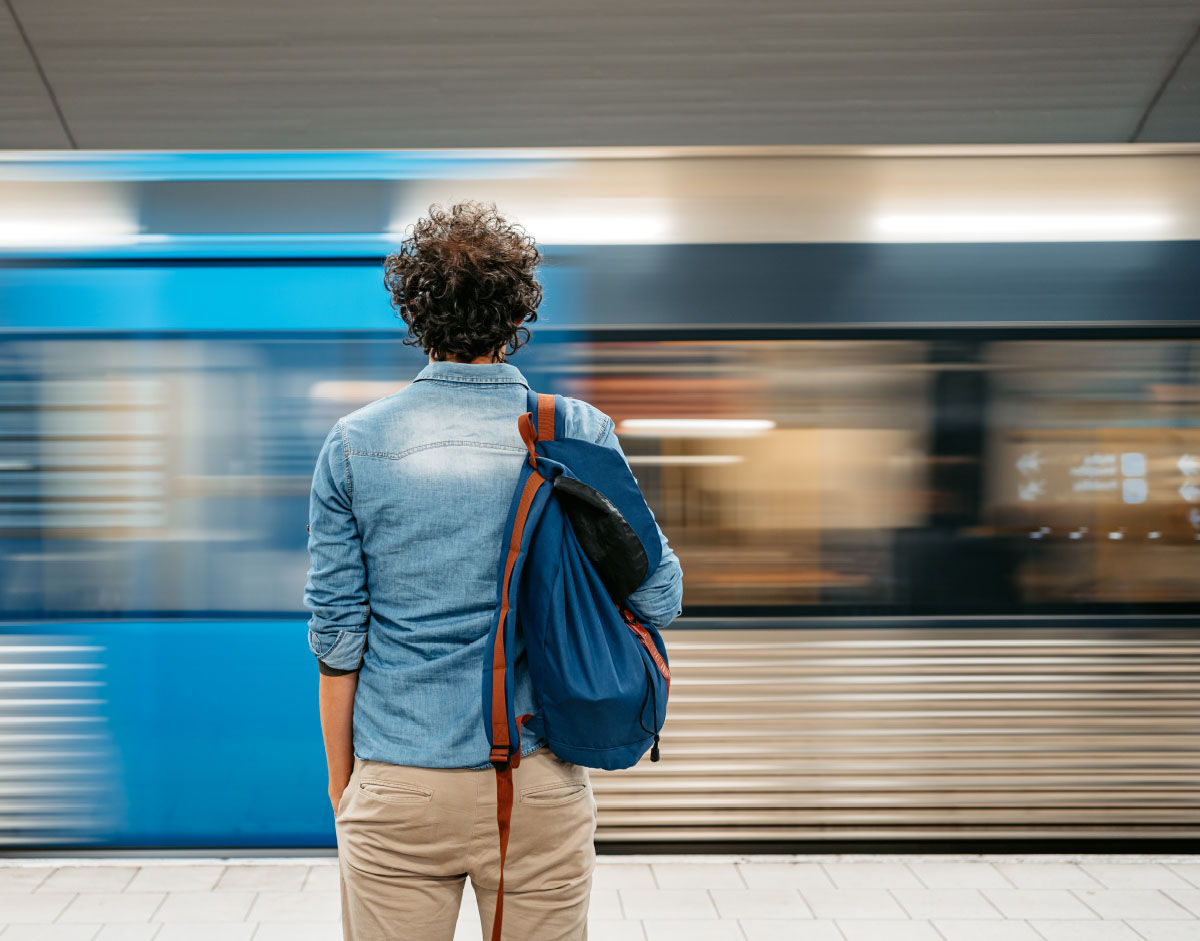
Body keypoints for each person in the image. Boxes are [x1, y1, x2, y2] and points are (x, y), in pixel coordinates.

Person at [304, 201, 684, 941]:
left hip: (397, 782)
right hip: (536, 782)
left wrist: (345, 787)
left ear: (415, 312)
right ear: (518, 311)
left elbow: (337, 640)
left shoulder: (353, 445)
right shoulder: (574, 430)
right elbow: (661, 596)